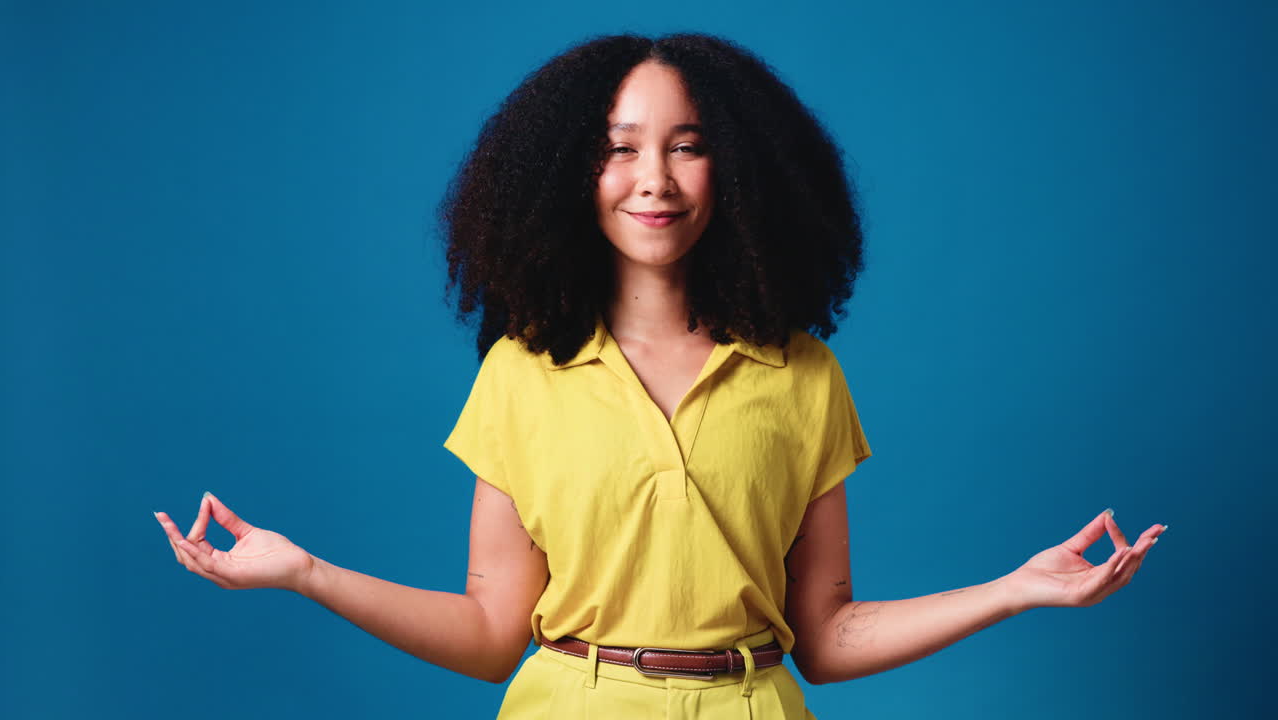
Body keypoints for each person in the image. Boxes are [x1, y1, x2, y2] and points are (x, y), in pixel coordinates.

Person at [154, 32, 1165, 719]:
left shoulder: (802, 375)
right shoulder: (520, 372)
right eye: (618, 150)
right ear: (562, 176)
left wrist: (1012, 592)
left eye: (687, 148)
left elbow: (826, 634)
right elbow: (489, 631)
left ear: (738, 169)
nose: (653, 180)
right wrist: (304, 573)